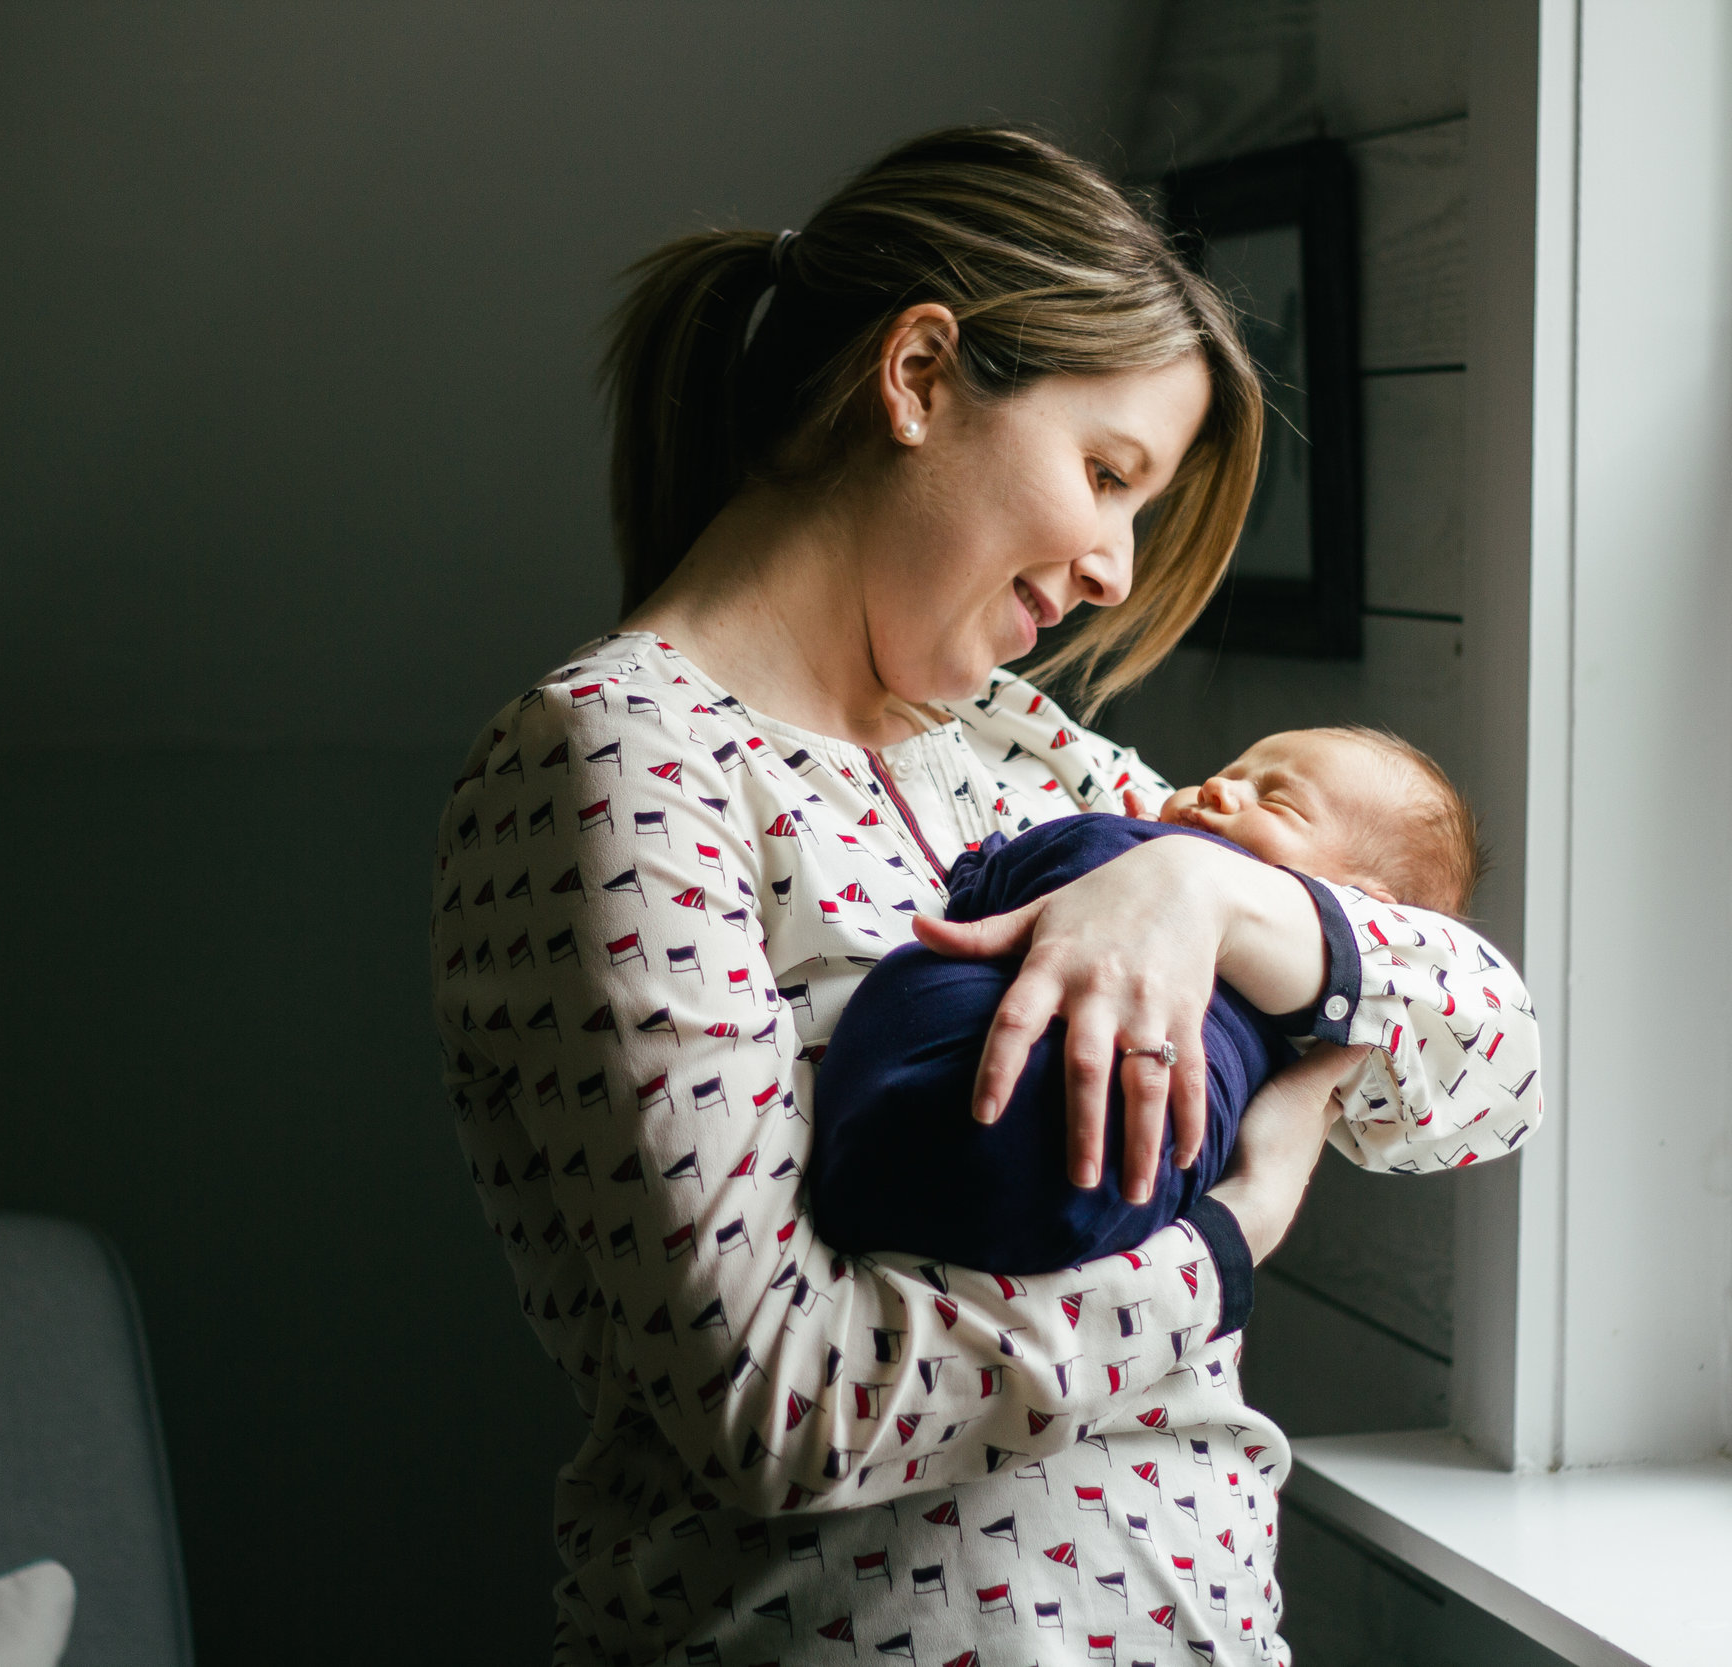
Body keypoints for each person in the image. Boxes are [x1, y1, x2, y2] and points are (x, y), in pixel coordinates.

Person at [430, 126, 1540, 1667]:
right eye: (1107, 474)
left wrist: (1208, 905)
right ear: (920, 375)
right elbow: (783, 1407)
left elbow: (1500, 1074)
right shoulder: (621, 764)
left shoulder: (1028, 758)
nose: (1113, 568)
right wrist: (1228, 1237)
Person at [811, 727, 1543, 1275]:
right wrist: (1244, 1219)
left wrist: (1160, 864)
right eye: (1227, 773)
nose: (1219, 789)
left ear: (1366, 912)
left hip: (982, 1141)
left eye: (1276, 799)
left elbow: (1505, 1053)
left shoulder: (1359, 999)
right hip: (1078, 1232)